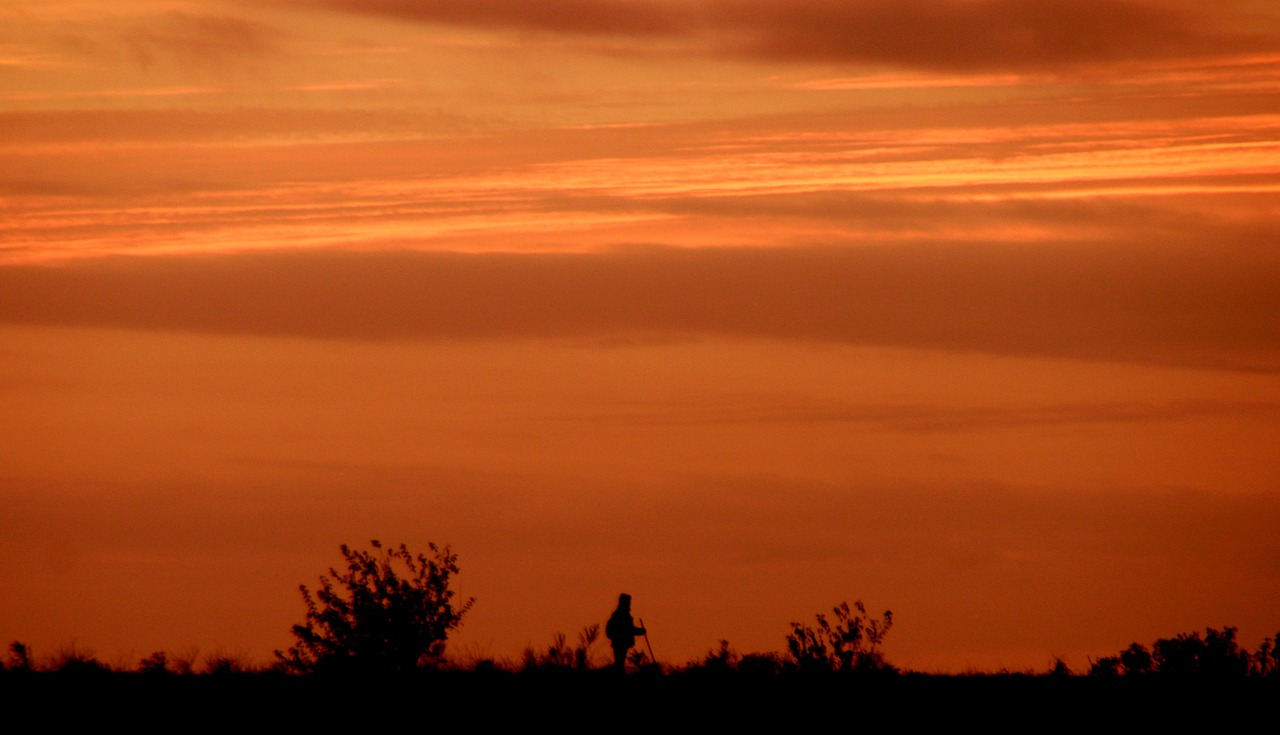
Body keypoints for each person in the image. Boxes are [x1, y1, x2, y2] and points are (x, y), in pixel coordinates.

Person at [605, 593, 646, 671]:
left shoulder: (620, 614)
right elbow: (628, 630)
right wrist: (640, 631)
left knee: (620, 661)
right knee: (619, 662)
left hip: (620, 642)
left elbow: (628, 629)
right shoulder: (622, 614)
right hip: (620, 642)